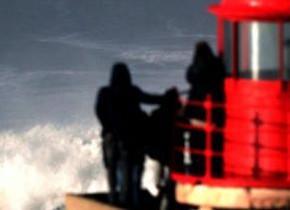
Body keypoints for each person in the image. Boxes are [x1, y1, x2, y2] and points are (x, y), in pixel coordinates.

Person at [95, 62, 168, 208]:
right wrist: (166, 98)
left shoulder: (105, 92)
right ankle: (128, 203)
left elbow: (99, 111)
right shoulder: (131, 91)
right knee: (128, 173)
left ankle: (113, 199)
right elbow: (150, 99)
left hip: (110, 140)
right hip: (127, 140)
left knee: (112, 171)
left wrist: (108, 127)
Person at [182, 41, 226, 177]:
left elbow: (188, 77)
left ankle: (197, 170)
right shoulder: (217, 65)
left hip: (195, 114)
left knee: (197, 145)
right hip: (214, 114)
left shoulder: (194, 68)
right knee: (214, 145)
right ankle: (215, 170)